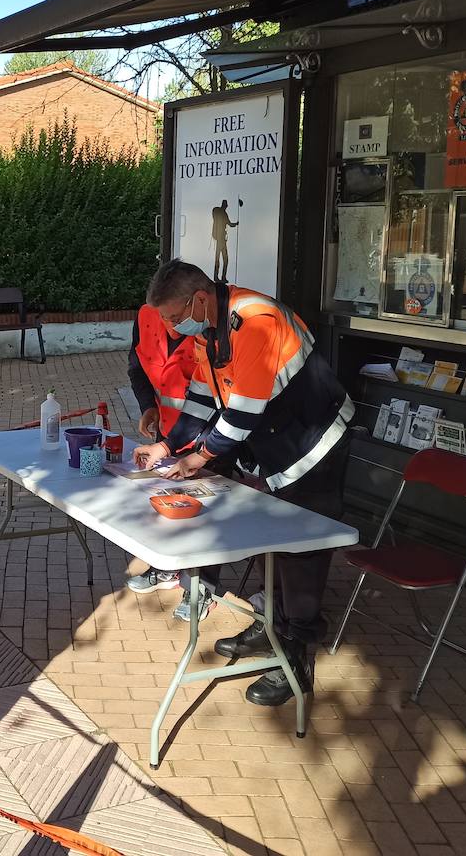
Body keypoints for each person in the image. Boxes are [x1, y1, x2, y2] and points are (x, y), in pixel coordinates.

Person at [133, 259, 353, 708]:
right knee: (274, 541)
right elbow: (200, 395)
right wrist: (169, 446)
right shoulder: (208, 327)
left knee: (303, 551)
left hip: (315, 444)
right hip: (278, 447)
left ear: (199, 299)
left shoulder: (255, 322)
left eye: (176, 318)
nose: (175, 329)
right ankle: (273, 622)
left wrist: (199, 458)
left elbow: (241, 414)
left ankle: (297, 657)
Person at [123, 301, 219, 620]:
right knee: (167, 502)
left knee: (206, 512)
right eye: (165, 315)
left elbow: (214, 394)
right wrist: (147, 406)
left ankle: (202, 588)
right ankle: (167, 567)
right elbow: (137, 365)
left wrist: (203, 451)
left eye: (176, 316)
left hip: (208, 435)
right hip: (168, 431)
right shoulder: (146, 315)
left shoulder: (208, 325)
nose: (171, 323)